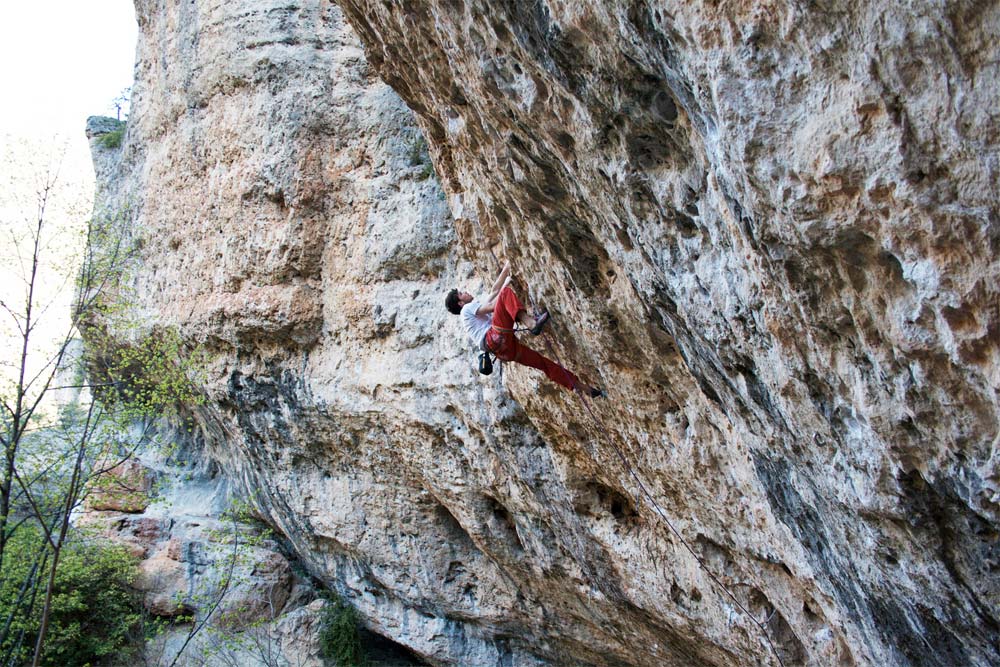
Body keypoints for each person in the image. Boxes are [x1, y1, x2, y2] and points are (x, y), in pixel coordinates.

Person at [445, 261, 604, 397]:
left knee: (543, 363)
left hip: (504, 351)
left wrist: (506, 268)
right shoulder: (467, 309)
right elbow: (494, 305)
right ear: (460, 303)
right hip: (495, 338)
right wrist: (505, 289)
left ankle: (584, 389)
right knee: (506, 294)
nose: (465, 292)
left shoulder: (470, 315)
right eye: (461, 293)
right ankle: (531, 324)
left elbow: (493, 291)